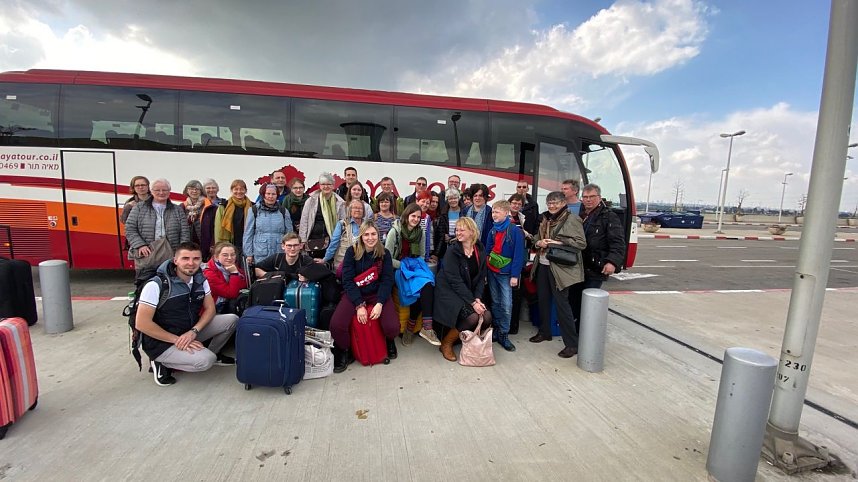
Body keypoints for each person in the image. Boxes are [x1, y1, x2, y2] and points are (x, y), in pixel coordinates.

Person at [135, 242, 237, 386]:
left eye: (196, 258)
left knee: (232, 319)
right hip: (161, 341)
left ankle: (209, 352)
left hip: (188, 331)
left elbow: (210, 309)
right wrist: (177, 340)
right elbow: (142, 323)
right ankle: (160, 361)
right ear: (175, 261)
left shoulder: (200, 280)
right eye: (185, 258)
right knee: (205, 361)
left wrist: (193, 332)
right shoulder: (156, 285)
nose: (191, 263)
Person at [330, 221, 399, 373]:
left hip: (377, 293)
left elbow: (387, 280)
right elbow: (347, 280)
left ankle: (389, 340)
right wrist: (359, 304)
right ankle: (345, 349)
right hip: (355, 293)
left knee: (392, 327)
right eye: (366, 234)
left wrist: (380, 303)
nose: (370, 238)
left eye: (373, 234)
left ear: (378, 235)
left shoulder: (384, 253)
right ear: (361, 236)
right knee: (336, 324)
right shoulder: (352, 252)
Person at [529, 191, 587, 359]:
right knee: (543, 300)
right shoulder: (545, 218)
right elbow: (536, 238)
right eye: (549, 203)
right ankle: (544, 332)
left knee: (562, 305)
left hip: (560, 268)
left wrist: (558, 242)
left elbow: (581, 243)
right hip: (543, 264)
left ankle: (571, 344)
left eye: (555, 203)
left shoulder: (572, 219)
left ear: (563, 203)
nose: (552, 206)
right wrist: (538, 242)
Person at [433, 217, 491, 362]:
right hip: (448, 290)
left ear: (472, 232)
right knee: (472, 317)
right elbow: (455, 281)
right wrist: (473, 302)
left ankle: (465, 338)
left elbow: (481, 277)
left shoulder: (480, 249)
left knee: (487, 316)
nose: (457, 233)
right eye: (457, 230)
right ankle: (446, 343)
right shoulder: (452, 251)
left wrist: (477, 298)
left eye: (462, 230)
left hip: (467, 290)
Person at [569, 183, 626, 325]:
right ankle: (576, 330)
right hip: (579, 266)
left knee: (588, 302)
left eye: (592, 197)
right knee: (574, 300)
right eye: (585, 197)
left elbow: (618, 242)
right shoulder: (581, 215)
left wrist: (612, 262)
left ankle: (585, 333)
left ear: (599, 198)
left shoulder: (609, 217)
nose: (588, 200)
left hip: (596, 267)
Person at [385, 203, 438, 346]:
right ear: (406, 215)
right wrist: (403, 266)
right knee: (417, 288)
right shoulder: (395, 232)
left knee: (428, 284)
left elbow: (422, 255)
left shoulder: (420, 232)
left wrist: (414, 267)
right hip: (399, 267)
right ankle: (411, 328)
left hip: (415, 265)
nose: (416, 219)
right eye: (413, 216)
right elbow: (387, 258)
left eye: (418, 217)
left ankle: (426, 328)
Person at [255, 232, 339, 310]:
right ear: (283, 246)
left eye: (295, 245)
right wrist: (275, 276)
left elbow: (321, 274)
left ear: (300, 246)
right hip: (277, 298)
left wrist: (308, 277)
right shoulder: (276, 258)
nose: (292, 249)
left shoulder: (306, 260)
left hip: (300, 301)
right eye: (289, 245)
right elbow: (256, 269)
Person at [125, 178, 191, 276]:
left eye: (164, 190)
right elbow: (130, 228)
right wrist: (140, 245)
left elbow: (185, 232)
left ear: (169, 191)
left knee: (170, 282)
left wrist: (181, 251)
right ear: (151, 191)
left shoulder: (177, 210)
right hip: (146, 256)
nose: (161, 193)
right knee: (146, 282)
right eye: (157, 190)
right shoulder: (139, 208)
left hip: (171, 255)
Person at [484, 200, 525, 352]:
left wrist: (515, 275)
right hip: (492, 271)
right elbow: (487, 250)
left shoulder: (515, 231)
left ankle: (504, 333)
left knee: (507, 305)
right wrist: (486, 270)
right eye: (493, 212)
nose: (494, 215)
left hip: (506, 274)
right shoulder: (493, 230)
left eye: (497, 212)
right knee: (495, 302)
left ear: (506, 213)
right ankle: (496, 329)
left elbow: (519, 255)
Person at [243, 184, 293, 267]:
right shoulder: (254, 210)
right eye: (268, 194)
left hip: (279, 253)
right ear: (263, 195)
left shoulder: (283, 211)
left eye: (273, 194)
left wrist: (290, 250)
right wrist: (249, 254)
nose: (271, 196)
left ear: (277, 195)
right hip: (260, 253)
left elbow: (289, 234)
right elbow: (248, 234)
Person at [299, 172, 345, 260]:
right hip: (313, 240)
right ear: (320, 186)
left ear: (333, 185)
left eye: (329, 184)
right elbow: (304, 221)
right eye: (323, 184)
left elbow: (343, 222)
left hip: (332, 241)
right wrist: (302, 240)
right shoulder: (311, 201)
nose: (326, 186)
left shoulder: (340, 202)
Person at [203, 242, 248, 314]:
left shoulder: (230, 265)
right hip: (215, 308)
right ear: (216, 257)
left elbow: (245, 284)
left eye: (232, 255)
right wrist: (234, 273)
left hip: (226, 303)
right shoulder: (209, 273)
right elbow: (231, 294)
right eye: (225, 255)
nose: (230, 258)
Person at [324, 199, 365, 273]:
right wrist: (325, 259)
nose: (357, 210)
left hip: (362, 265)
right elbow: (334, 243)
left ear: (363, 211)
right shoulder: (342, 224)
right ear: (350, 210)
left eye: (360, 208)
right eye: (355, 208)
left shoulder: (367, 225)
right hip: (343, 264)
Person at [214, 179, 252, 256]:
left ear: (245, 191)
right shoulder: (223, 206)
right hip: (229, 242)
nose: (239, 191)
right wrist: (219, 246)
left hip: (247, 243)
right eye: (236, 189)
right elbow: (218, 228)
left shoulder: (253, 206)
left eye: (242, 189)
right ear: (231, 190)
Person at [199, 179, 225, 261]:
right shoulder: (200, 205)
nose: (211, 190)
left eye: (213, 188)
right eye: (208, 188)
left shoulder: (223, 204)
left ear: (217, 189)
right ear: (204, 190)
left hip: (218, 238)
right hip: (202, 240)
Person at [432, 188, 462, 260]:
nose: (453, 200)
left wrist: (453, 238)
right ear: (447, 200)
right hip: (446, 249)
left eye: (455, 198)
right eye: (450, 198)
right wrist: (436, 254)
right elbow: (441, 235)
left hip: (461, 248)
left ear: (458, 198)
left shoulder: (464, 212)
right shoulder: (443, 214)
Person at [182, 180, 206, 244]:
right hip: (187, 242)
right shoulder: (182, 207)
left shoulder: (208, 206)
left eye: (197, 189)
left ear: (201, 191)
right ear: (187, 191)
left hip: (204, 242)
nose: (194, 191)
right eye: (191, 189)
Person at [414, 191, 436, 262]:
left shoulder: (427, 217)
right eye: (423, 201)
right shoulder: (410, 215)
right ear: (417, 201)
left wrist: (426, 257)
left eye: (427, 203)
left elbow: (427, 238)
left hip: (422, 253)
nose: (425, 205)